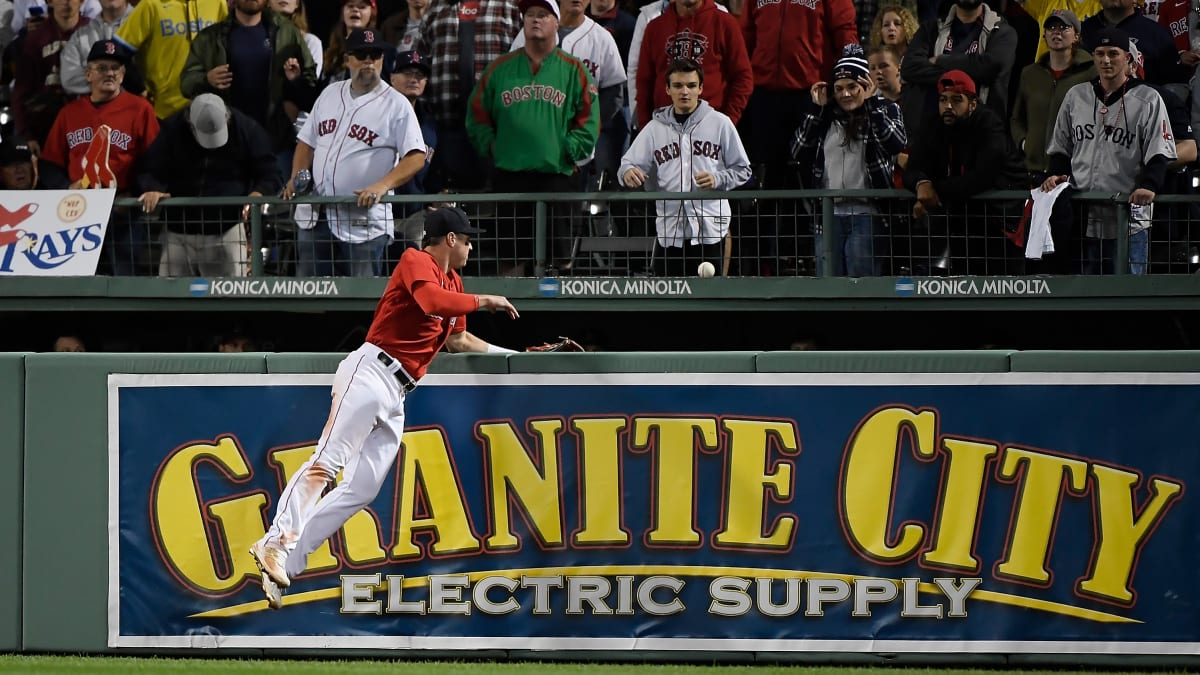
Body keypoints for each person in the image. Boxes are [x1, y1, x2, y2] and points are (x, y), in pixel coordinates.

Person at [248, 206, 520, 610]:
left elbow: (459, 342)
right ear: (449, 239)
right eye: (466, 238)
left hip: (397, 393)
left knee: (363, 487)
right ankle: (274, 543)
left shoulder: (454, 280)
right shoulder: (416, 260)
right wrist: (482, 301)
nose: (470, 245)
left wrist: (514, 354)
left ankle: (289, 559)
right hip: (371, 370)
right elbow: (430, 300)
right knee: (327, 462)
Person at [466, 0, 599, 276]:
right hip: (510, 175)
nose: (535, 20)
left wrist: (567, 148)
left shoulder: (574, 69)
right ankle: (511, 318)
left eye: (542, 15)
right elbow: (476, 114)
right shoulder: (500, 69)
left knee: (559, 260)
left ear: (556, 22)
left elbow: (590, 120)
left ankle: (557, 317)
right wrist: (491, 145)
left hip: (557, 176)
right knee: (510, 256)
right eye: (529, 15)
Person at [288, 28, 427, 277]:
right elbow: (306, 142)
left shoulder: (396, 104)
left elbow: (416, 156)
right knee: (310, 298)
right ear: (347, 59)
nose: (368, 61)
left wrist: (383, 185)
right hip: (316, 215)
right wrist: (297, 176)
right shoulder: (329, 94)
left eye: (375, 55)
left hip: (364, 223)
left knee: (362, 302)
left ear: (383, 59)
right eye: (361, 54)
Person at [1042, 27, 1176, 275]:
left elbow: (1159, 152)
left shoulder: (1148, 98)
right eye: (1100, 53)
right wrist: (1057, 174)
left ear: (1128, 58)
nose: (1106, 60)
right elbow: (1061, 148)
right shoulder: (1076, 96)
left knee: (1128, 295)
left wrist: (1150, 185)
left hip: (1128, 219)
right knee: (1084, 295)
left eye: (1113, 53)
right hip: (1082, 217)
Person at [618, 58, 751, 277]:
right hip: (670, 230)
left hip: (710, 229)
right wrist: (628, 172)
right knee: (668, 301)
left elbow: (743, 170)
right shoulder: (655, 128)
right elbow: (627, 164)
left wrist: (718, 179)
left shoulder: (720, 123)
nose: (685, 91)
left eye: (691, 85)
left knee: (710, 301)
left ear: (700, 88)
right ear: (667, 89)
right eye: (678, 86)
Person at [40, 39, 159, 276]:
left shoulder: (140, 109)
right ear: (88, 75)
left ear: (123, 76)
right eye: (102, 68)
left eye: (116, 68)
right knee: (77, 283)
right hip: (78, 215)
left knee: (126, 281)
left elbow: (155, 159)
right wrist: (67, 186)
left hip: (122, 212)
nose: (110, 73)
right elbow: (49, 164)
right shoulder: (69, 113)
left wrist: (141, 192)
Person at [792, 44, 907, 277]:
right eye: (839, 88)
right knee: (828, 287)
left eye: (853, 87)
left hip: (868, 214)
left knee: (860, 285)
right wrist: (817, 111)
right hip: (828, 215)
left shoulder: (886, 108)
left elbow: (895, 143)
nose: (845, 94)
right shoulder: (825, 117)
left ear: (866, 85)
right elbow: (798, 152)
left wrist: (873, 104)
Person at [136, 93, 280, 277]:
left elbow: (271, 173)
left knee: (232, 298)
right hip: (178, 231)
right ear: (189, 122)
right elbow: (148, 168)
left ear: (227, 118)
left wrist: (260, 192)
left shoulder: (247, 129)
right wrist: (153, 188)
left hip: (227, 228)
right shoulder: (172, 129)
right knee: (172, 299)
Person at [180, 0, 318, 184]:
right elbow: (186, 83)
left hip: (275, 143)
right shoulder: (211, 37)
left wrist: (295, 81)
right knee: (230, 211)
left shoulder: (286, 32)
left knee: (279, 209)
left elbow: (310, 88)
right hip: (227, 146)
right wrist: (207, 79)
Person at [904, 69, 1027, 274]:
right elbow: (913, 167)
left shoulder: (989, 124)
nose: (948, 106)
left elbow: (982, 177)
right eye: (943, 100)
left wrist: (935, 191)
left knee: (1002, 286)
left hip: (1001, 218)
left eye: (956, 100)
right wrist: (921, 184)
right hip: (962, 216)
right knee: (961, 281)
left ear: (972, 103)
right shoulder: (934, 123)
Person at [511, 0, 625, 187]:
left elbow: (613, 94)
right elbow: (511, 83)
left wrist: (586, 129)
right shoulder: (528, 34)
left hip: (578, 147)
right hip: (533, 144)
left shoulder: (601, 38)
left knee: (569, 208)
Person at [416, 0, 520, 191]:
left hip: (496, 125)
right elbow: (421, 60)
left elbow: (522, 57)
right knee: (456, 194)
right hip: (447, 124)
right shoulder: (436, 7)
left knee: (497, 196)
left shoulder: (509, 6)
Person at [900, 0, 1017, 145]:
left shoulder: (1002, 32)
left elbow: (990, 67)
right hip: (933, 139)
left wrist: (940, 61)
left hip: (980, 139)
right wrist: (972, 71)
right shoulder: (931, 29)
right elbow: (909, 68)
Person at [636, 0, 751, 130]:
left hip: (711, 129)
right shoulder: (655, 27)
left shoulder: (725, 23)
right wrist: (645, 128)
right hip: (663, 129)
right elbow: (644, 82)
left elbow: (743, 78)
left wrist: (727, 122)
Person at [1011, 9, 1096, 179]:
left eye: (1064, 27)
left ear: (1076, 36)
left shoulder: (1091, 72)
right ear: (1044, 35)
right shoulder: (1029, 73)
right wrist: (1025, 143)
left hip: (1073, 169)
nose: (1056, 31)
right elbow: (1016, 118)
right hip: (1033, 169)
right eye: (1051, 27)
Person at [114, 0, 229, 120]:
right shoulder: (150, 5)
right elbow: (117, 53)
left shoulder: (217, 3)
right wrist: (139, 90)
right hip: (163, 113)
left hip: (210, 111)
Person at [12, 0, 90, 148]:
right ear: (50, 1)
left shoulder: (95, 32)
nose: (67, 3)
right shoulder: (35, 39)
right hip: (47, 127)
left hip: (89, 124)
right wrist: (26, 136)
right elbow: (21, 91)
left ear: (82, 1)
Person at [1080, 0, 1185, 85]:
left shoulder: (1157, 34)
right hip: (1088, 106)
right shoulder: (1081, 31)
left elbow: (1175, 84)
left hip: (1142, 106)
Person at [59, 0, 135, 97]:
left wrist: (97, 78)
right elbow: (69, 80)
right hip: (93, 109)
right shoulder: (80, 36)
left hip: (141, 107)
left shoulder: (148, 23)